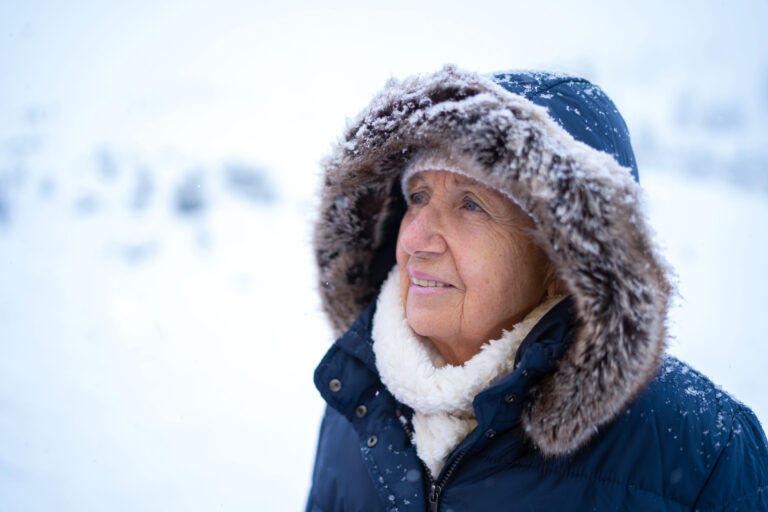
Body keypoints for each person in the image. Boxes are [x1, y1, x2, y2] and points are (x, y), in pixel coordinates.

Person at [305, 66, 768, 511]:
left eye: (471, 204)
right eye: (418, 196)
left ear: (563, 260)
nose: (414, 240)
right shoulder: (361, 404)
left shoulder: (701, 449)